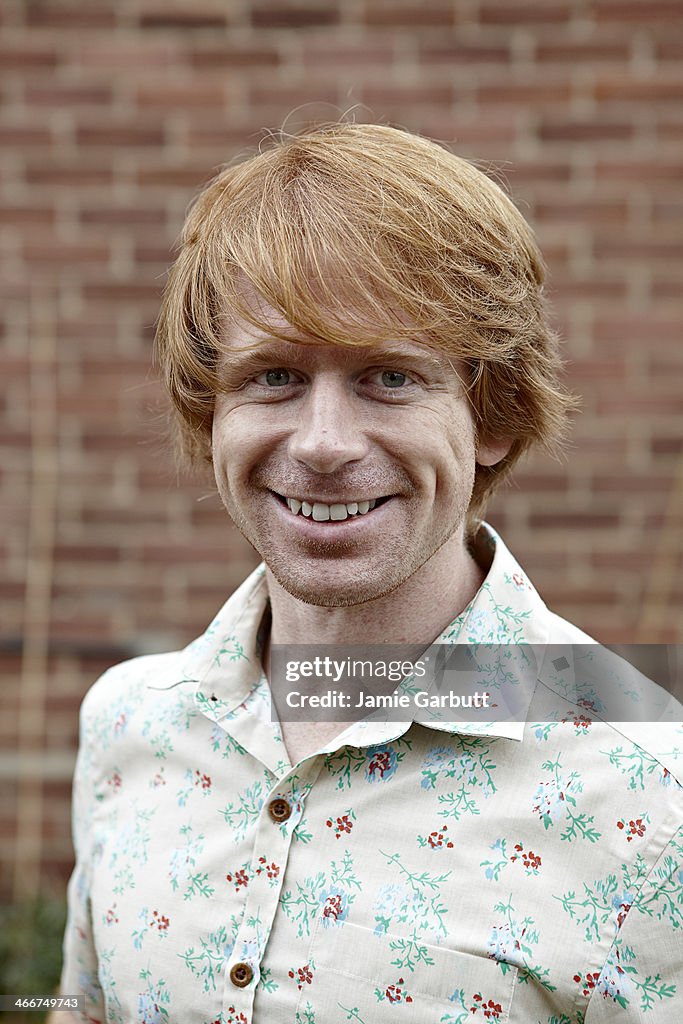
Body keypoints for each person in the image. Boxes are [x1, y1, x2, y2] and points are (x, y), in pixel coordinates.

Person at [56, 123, 682, 1023]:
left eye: (389, 377)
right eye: (271, 376)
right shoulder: (129, 722)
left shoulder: (647, 795)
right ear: (212, 409)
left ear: (494, 415)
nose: (321, 445)